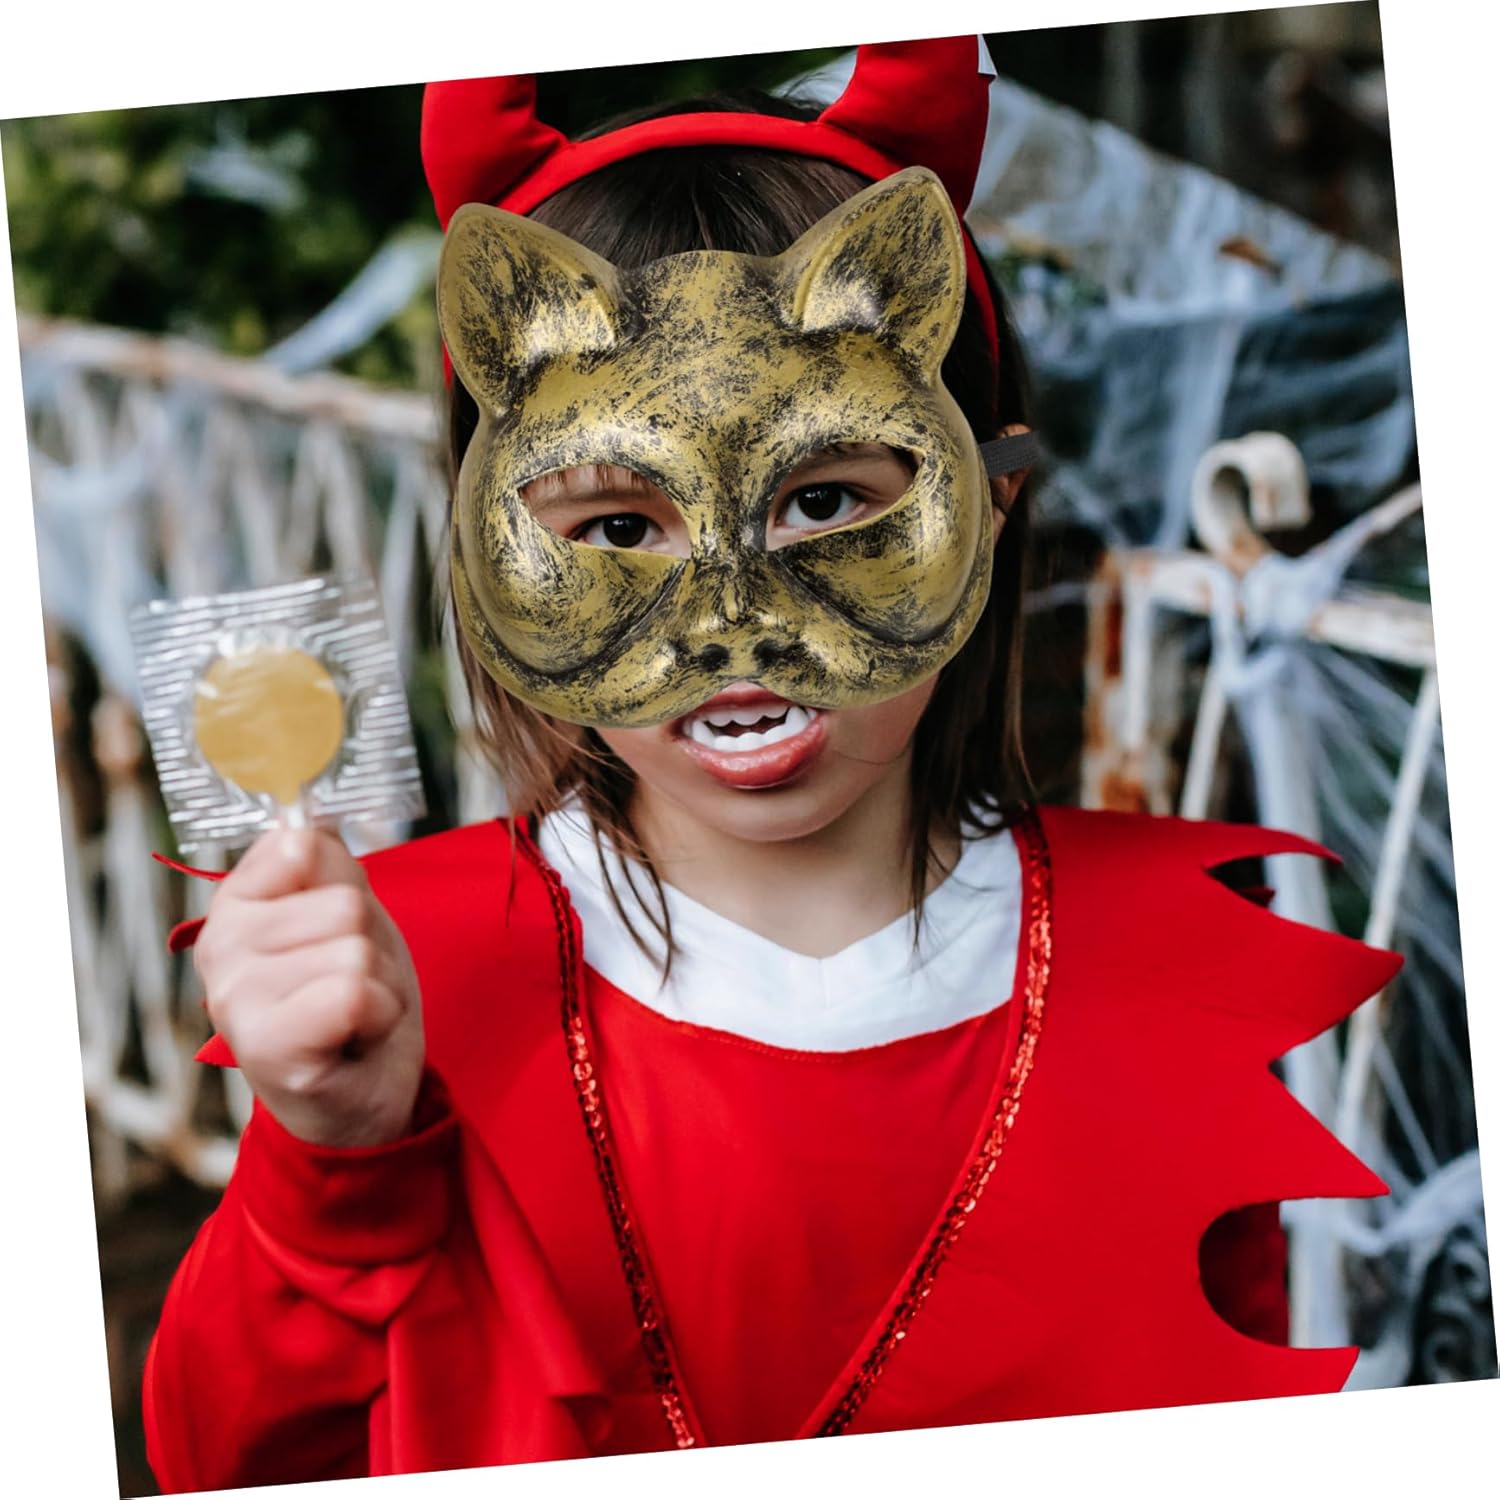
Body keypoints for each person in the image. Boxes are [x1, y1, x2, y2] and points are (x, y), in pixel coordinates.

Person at [142, 36, 1400, 1492]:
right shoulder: (398, 978)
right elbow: (225, 1458)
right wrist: (331, 1167)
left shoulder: (1172, 963)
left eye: (825, 503)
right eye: (620, 528)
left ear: (988, 500)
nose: (734, 620)